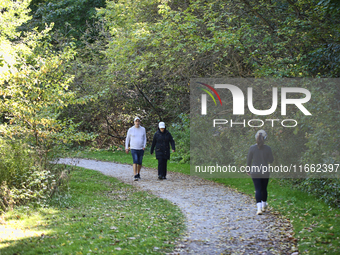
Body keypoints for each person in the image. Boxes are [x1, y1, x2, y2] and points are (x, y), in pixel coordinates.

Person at [247, 130, 274, 215]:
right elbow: (271, 160)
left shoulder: (252, 148)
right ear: (265, 138)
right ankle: (264, 205)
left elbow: (249, 160)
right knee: (264, 189)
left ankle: (258, 209)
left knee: (257, 189)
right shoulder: (268, 148)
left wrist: (248, 170)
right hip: (265, 171)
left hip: (255, 171)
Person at [125, 117, 147, 181]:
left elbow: (145, 138)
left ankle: (138, 173)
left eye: (138, 121)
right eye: (136, 121)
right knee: (135, 160)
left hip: (140, 148)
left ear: (140, 122)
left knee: (140, 162)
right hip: (133, 148)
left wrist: (144, 146)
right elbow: (127, 139)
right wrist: (126, 147)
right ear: (134, 122)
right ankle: (135, 175)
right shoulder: (131, 129)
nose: (137, 122)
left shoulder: (143, 129)